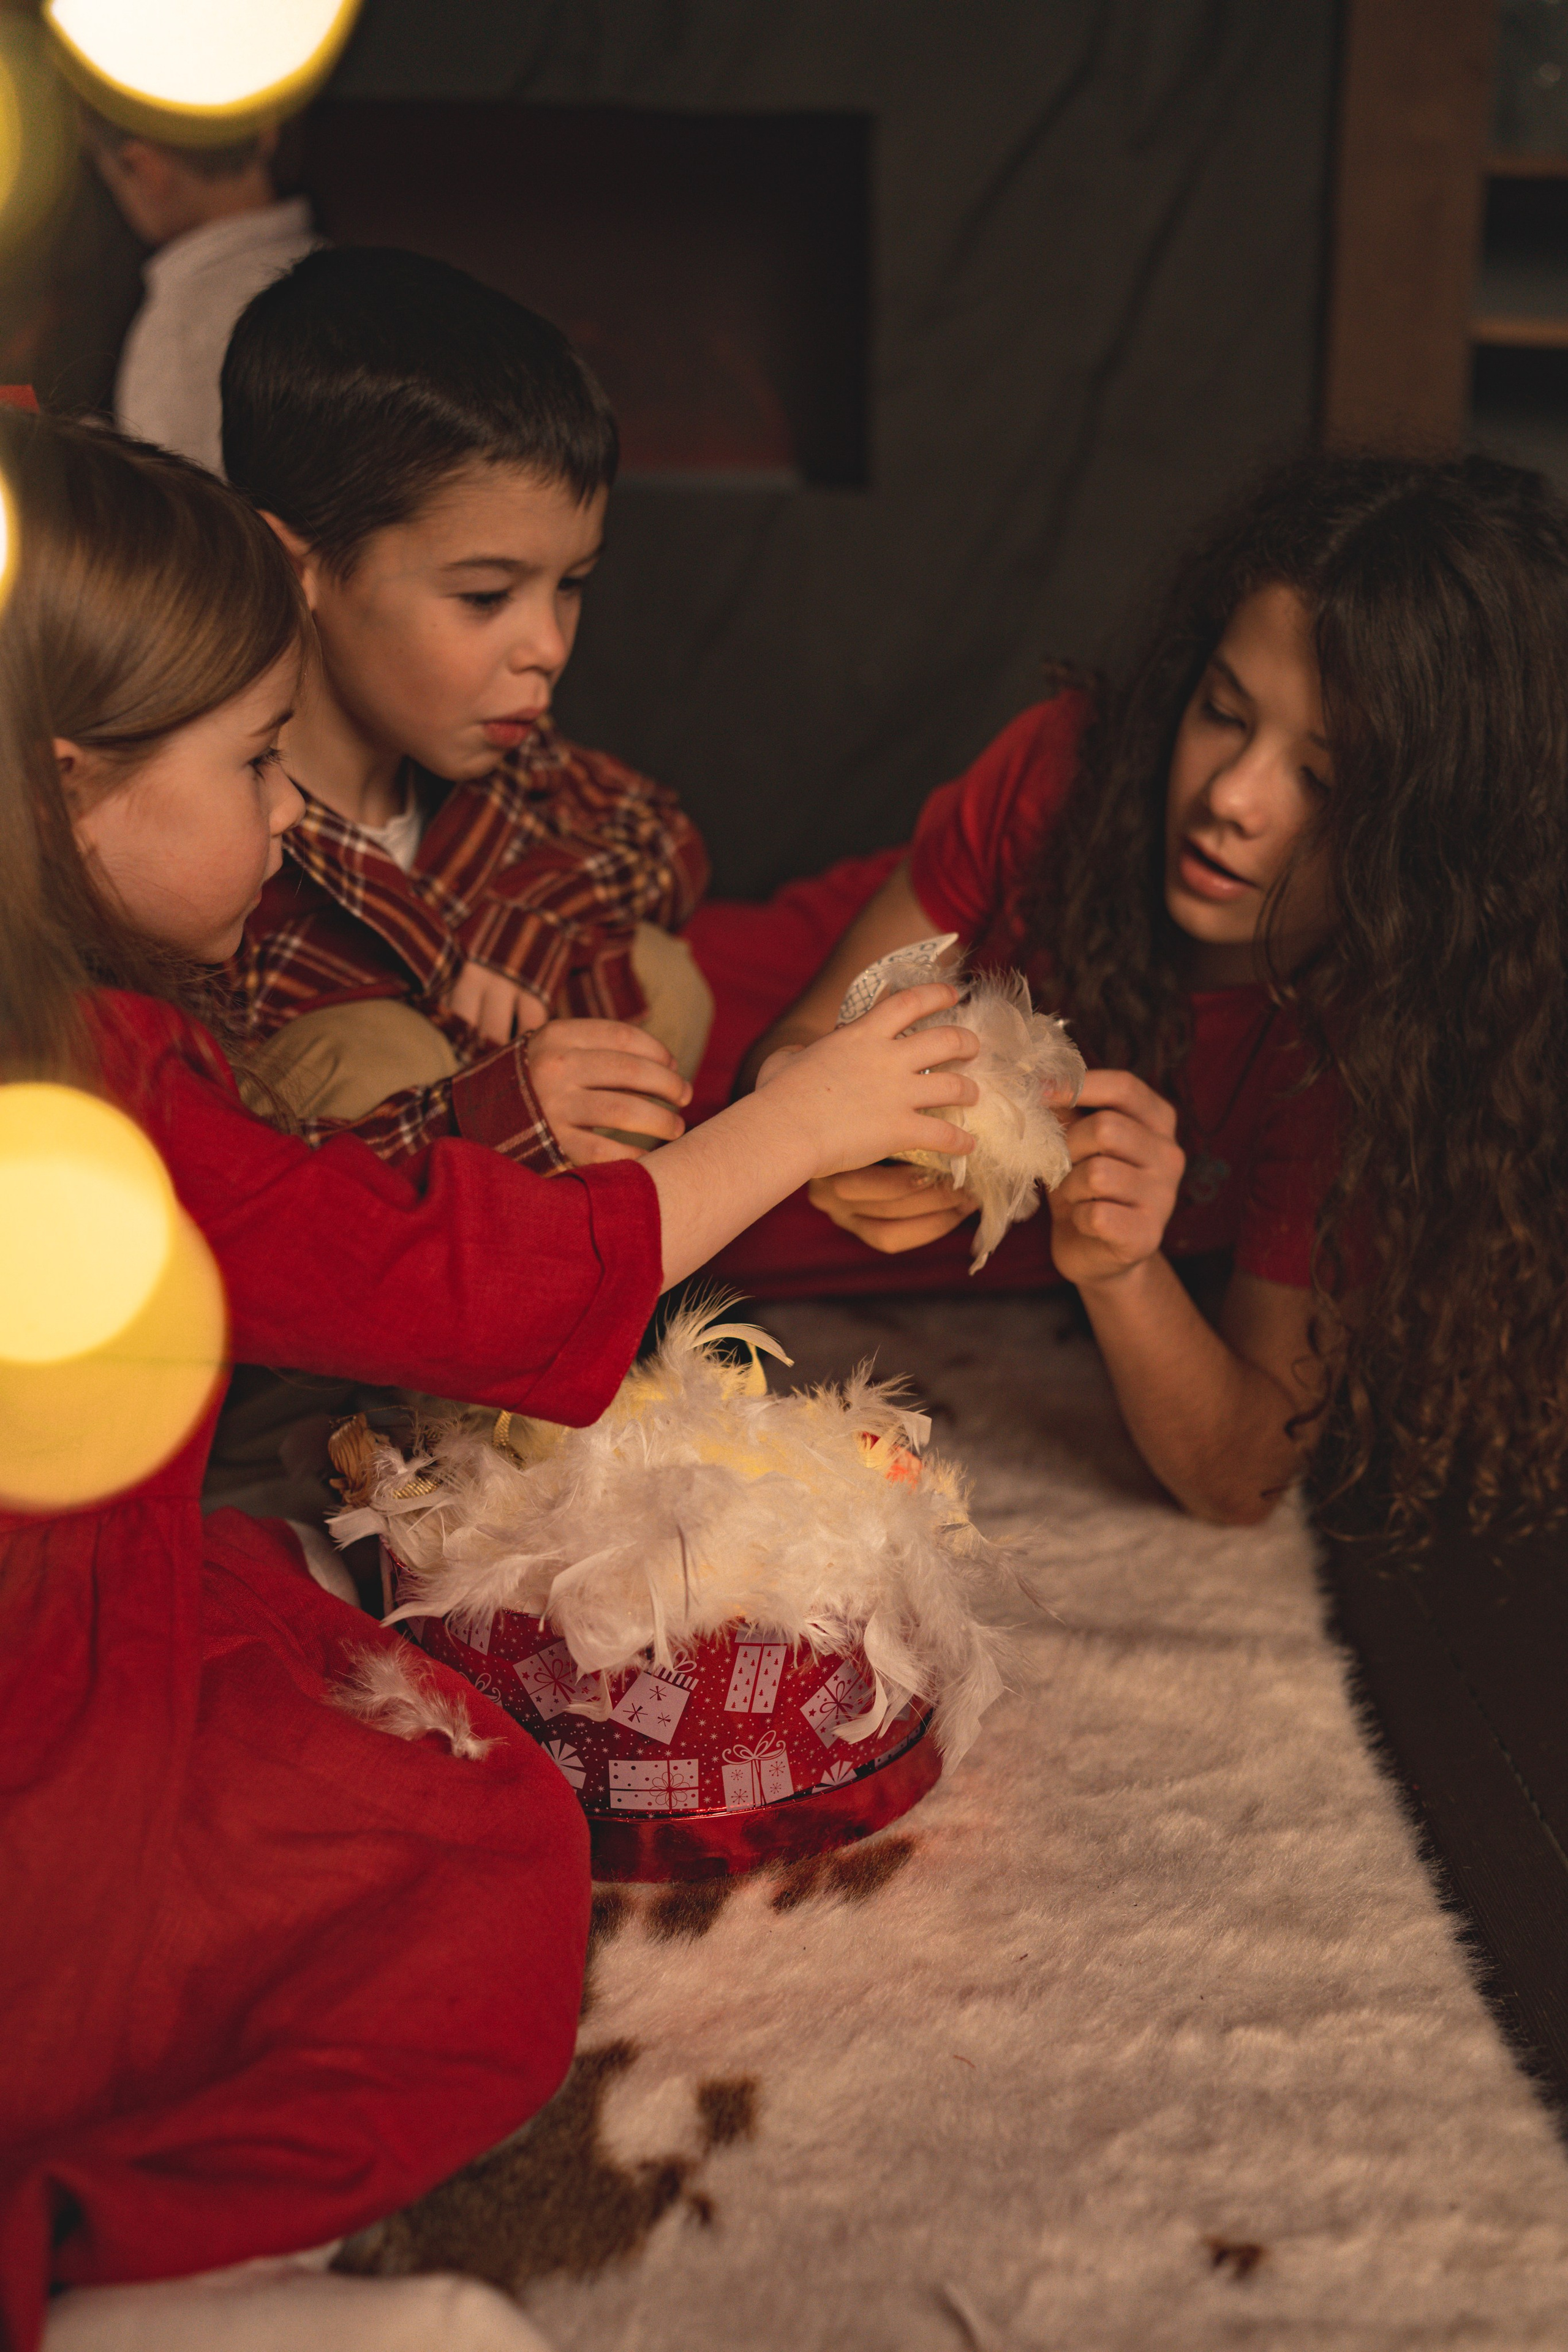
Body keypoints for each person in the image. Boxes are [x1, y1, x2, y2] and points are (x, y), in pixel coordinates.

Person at [0, 410, 979, 2352]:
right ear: (69, 786)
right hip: (50, 1754)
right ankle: (89, 2256)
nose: (292, 815)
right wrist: (800, 1120)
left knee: (304, 1607)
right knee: (484, 1856)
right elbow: (467, 1282)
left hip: (119, 1594)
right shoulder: (100, 1091)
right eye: (252, 762)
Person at [688, 453, 1568, 1536]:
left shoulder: (1356, 1044)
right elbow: (792, 1045)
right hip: (672, 1032)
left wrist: (1121, 1270)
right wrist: (806, 1110)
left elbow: (1242, 1474)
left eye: (1324, 780)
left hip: (721, 1275)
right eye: (1224, 712)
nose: (1232, 797)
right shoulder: (1068, 777)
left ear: (1428, 839)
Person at [218, 244, 714, 1152]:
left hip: (539, 1212)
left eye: (571, 584)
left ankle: (596, 1263)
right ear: (299, 569)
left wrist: (537, 908)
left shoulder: (504, 744)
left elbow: (661, 835)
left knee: (656, 969)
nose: (550, 648)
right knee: (381, 1054)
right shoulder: (222, 808)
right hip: (330, 1229)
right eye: (486, 596)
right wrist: (489, 1103)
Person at [78, 106, 317, 476]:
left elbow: (175, 517)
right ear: (266, 133)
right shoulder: (343, 279)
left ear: (147, 169)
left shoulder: (183, 324)